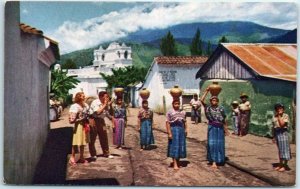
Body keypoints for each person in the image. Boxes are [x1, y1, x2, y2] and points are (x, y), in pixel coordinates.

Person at [200, 87, 229, 169]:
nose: (214, 101)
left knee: (219, 144)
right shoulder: (208, 108)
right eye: (212, 100)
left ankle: (219, 160)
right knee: (212, 144)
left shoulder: (221, 109)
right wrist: (206, 91)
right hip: (212, 128)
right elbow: (201, 100)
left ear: (218, 101)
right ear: (210, 101)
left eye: (215, 100)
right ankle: (213, 161)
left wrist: (226, 130)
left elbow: (224, 119)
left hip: (220, 129)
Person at [89, 91, 114, 160]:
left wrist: (110, 105)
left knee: (104, 137)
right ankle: (93, 154)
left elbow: (110, 115)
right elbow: (97, 112)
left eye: (108, 97)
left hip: (102, 121)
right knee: (92, 138)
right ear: (100, 97)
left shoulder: (105, 104)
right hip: (93, 120)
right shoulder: (95, 102)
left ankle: (106, 153)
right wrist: (105, 104)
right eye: (106, 97)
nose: (107, 98)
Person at [68, 92, 90, 165]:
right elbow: (71, 119)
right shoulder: (75, 106)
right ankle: (72, 157)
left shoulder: (85, 105)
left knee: (83, 142)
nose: (84, 97)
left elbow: (88, 113)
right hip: (78, 125)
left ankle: (81, 157)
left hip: (85, 124)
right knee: (76, 142)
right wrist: (80, 119)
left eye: (84, 96)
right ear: (78, 97)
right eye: (82, 96)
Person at [166, 99, 187, 170]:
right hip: (173, 130)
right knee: (174, 146)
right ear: (173, 104)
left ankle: (178, 162)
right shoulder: (170, 112)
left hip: (181, 130)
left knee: (180, 146)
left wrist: (186, 130)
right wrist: (169, 133)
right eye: (175, 104)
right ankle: (174, 163)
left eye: (178, 103)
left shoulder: (183, 112)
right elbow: (168, 123)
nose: (177, 105)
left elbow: (185, 122)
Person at [272, 103, 291, 172]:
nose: (279, 109)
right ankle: (280, 164)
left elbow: (282, 124)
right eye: (278, 108)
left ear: (283, 109)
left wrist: (279, 116)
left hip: (283, 133)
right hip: (277, 134)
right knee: (280, 150)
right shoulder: (274, 116)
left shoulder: (285, 116)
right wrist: (273, 137)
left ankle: (285, 165)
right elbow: (273, 127)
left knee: (285, 150)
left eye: (281, 108)